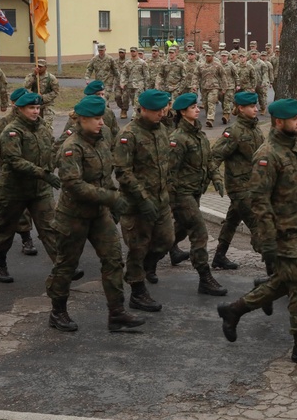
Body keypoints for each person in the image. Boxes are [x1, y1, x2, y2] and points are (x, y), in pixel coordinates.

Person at [216, 98, 297, 367]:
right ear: (279, 122)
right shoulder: (267, 155)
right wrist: (267, 240)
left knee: (290, 278)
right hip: (282, 232)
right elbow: (260, 202)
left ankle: (234, 310)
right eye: (294, 119)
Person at [46, 95, 143, 333]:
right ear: (81, 120)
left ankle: (116, 313)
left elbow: (106, 176)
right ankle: (57, 311)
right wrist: (111, 198)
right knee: (66, 265)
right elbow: (74, 185)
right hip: (73, 216)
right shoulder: (72, 147)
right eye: (96, 119)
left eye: (101, 118)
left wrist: (113, 204)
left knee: (113, 259)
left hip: (100, 214)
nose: (101, 123)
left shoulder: (102, 140)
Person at [0, 92, 61, 283]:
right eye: (31, 108)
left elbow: (50, 152)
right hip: (14, 190)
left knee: (50, 227)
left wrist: (54, 166)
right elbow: (14, 161)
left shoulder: (44, 128)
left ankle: (62, 266)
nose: (35, 111)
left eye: (38, 108)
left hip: (40, 190)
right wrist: (43, 173)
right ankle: (0, 265)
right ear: (20, 109)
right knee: (6, 229)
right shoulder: (12, 131)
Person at [113, 89, 173, 307]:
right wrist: (142, 198)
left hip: (161, 200)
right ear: (144, 109)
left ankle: (144, 269)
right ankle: (137, 292)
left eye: (163, 109)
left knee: (166, 241)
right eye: (157, 110)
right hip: (137, 204)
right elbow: (122, 171)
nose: (162, 113)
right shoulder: (129, 135)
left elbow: (165, 165)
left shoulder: (161, 130)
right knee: (138, 247)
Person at [168, 92, 227, 296]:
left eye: (198, 106)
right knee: (199, 232)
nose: (198, 109)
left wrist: (217, 179)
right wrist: (171, 199)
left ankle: (150, 258)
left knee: (181, 230)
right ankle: (205, 277)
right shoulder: (178, 139)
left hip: (195, 191)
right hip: (181, 194)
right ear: (183, 112)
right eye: (193, 107)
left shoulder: (199, 135)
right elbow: (170, 172)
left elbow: (209, 160)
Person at [210, 91, 264, 270]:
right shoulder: (233, 131)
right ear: (240, 108)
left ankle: (219, 256)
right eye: (251, 106)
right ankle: (274, 269)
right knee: (258, 226)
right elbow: (215, 156)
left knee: (232, 220)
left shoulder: (255, 128)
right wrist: (213, 177)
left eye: (255, 106)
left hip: (253, 185)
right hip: (240, 187)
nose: (255, 109)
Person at [23, 59, 60, 130]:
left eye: (40, 67)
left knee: (46, 126)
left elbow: (55, 92)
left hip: (47, 104)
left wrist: (43, 97)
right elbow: (26, 86)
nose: (38, 68)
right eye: (37, 66)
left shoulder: (51, 78)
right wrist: (34, 75)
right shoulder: (32, 76)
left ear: (45, 67)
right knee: (34, 125)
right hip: (35, 105)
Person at [197, 50, 226, 128]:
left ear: (212, 56)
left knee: (211, 102)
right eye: (206, 56)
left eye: (209, 56)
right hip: (204, 87)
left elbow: (223, 76)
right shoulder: (201, 65)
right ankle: (208, 116)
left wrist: (224, 87)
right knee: (206, 104)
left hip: (214, 87)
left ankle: (210, 119)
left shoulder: (218, 65)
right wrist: (194, 85)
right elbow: (196, 75)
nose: (207, 57)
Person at [120, 47, 149, 119]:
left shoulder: (142, 63)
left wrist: (146, 86)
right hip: (130, 85)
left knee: (137, 100)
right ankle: (138, 113)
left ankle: (134, 115)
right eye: (131, 51)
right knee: (133, 100)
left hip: (139, 84)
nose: (132, 53)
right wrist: (122, 82)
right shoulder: (127, 63)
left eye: (134, 51)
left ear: (137, 52)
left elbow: (146, 75)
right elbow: (124, 73)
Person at [113, 47, 129, 115]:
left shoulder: (128, 62)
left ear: (125, 53)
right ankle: (122, 107)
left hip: (126, 82)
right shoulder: (115, 61)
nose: (121, 54)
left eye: (122, 52)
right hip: (117, 82)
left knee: (125, 97)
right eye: (120, 52)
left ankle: (124, 110)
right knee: (117, 96)